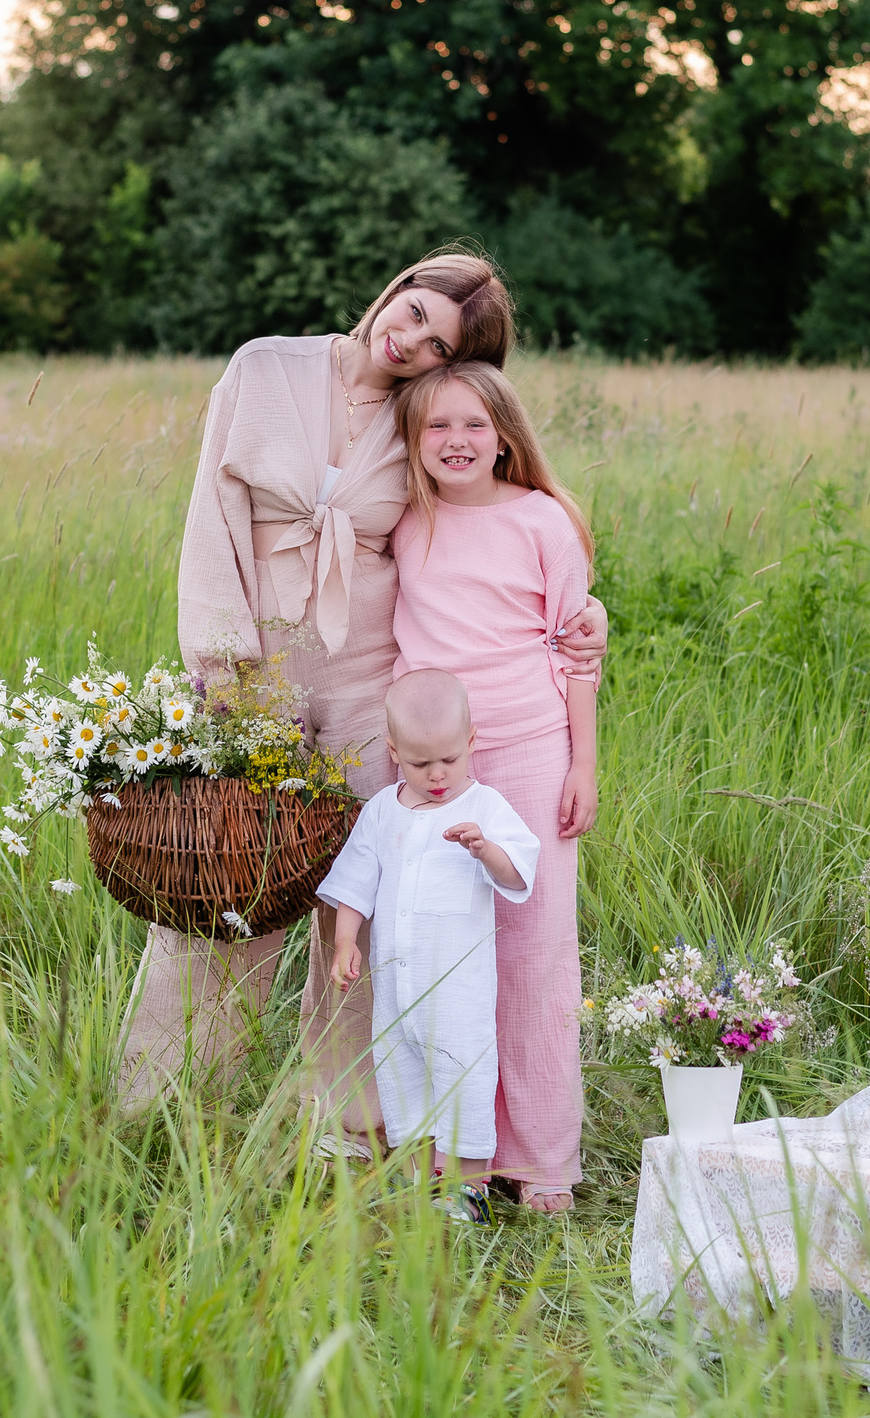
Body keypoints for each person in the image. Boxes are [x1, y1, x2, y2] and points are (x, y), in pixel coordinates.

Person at [124, 249, 609, 1146]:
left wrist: (584, 615)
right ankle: (161, 1104)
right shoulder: (264, 366)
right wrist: (229, 673)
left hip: (367, 672)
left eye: (438, 344)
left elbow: (493, 526)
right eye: (417, 310)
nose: (412, 338)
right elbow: (210, 521)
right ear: (399, 286)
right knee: (229, 878)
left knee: (365, 891)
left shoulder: (422, 418)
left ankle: (345, 1122)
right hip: (255, 669)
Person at [387, 359, 598, 1214]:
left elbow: (579, 651)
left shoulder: (544, 520)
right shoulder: (405, 520)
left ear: (505, 433)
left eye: (474, 424)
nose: (457, 441)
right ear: (414, 439)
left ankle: (541, 1155)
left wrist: (584, 762)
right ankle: (448, 1145)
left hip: (529, 746)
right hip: (434, 763)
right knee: (437, 952)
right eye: (437, 426)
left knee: (535, 949)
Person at [316, 670, 541, 1223]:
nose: (437, 776)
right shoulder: (382, 813)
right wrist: (346, 940)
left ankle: (466, 1195)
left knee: (463, 1077)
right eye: (420, 765)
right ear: (394, 753)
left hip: (457, 991)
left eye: (448, 760)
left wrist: (484, 850)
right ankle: (418, 1186)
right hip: (398, 987)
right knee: (403, 1078)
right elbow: (355, 883)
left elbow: (518, 873)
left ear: (470, 742)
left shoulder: (484, 806)